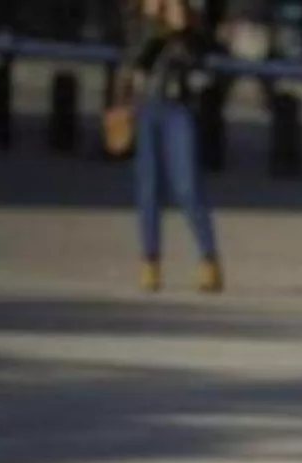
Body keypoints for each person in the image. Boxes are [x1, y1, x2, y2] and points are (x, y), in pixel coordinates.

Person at [123, 0, 223, 295]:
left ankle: (209, 259)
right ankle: (149, 261)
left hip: (179, 107)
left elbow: (201, 55)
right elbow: (135, 59)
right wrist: (157, 25)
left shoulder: (192, 15)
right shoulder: (140, 15)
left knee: (187, 186)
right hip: (147, 106)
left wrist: (183, 28)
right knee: (148, 186)